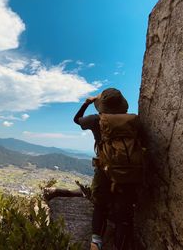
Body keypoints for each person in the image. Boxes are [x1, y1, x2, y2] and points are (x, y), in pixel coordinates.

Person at [74, 88, 138, 250]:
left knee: (100, 205)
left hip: (104, 169)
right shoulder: (134, 120)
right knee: (124, 214)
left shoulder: (96, 120)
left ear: (102, 105)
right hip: (130, 171)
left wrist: (86, 103)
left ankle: (96, 243)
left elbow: (77, 120)